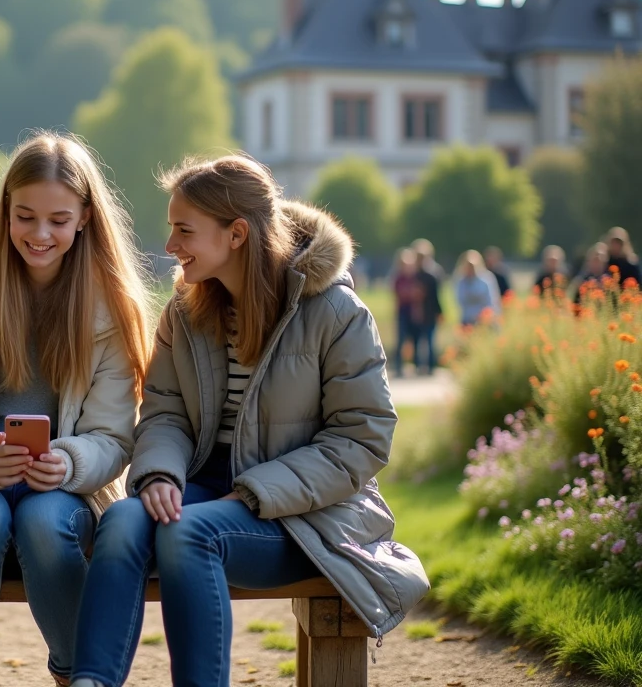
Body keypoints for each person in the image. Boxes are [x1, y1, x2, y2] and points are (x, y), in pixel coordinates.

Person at [69, 154, 428, 687]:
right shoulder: (185, 311)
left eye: (184, 230)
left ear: (236, 234)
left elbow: (363, 439)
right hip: (206, 488)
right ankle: (91, 681)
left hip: (308, 517)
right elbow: (164, 411)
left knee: (189, 534)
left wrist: (257, 492)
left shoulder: (336, 312)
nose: (170, 246)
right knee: (123, 520)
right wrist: (162, 474)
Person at [0, 133, 152, 687]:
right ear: (6, 210)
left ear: (86, 217)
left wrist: (67, 463)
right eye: (25, 216)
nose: (40, 235)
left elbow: (114, 434)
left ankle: (79, 678)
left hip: (67, 492)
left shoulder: (110, 305)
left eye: (58, 220)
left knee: (43, 520)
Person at [411, 239, 444, 375]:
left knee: (427, 341)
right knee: (419, 341)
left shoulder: (431, 276)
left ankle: (427, 366)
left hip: (428, 312)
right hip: (419, 312)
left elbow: (435, 296)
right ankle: (421, 366)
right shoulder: (413, 275)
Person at [391, 248, 423, 377]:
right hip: (403, 312)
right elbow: (399, 294)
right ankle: (399, 366)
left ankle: (417, 365)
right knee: (401, 340)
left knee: (416, 340)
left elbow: (419, 295)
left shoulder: (417, 278)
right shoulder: (399, 278)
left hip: (414, 313)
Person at [454, 250, 501, 329]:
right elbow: (460, 300)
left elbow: (492, 300)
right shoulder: (461, 281)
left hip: (485, 319)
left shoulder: (486, 279)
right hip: (467, 319)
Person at [573, 242, 610, 307]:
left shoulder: (610, 280)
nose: (597, 263)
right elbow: (576, 303)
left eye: (600, 260)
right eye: (595, 260)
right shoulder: (581, 280)